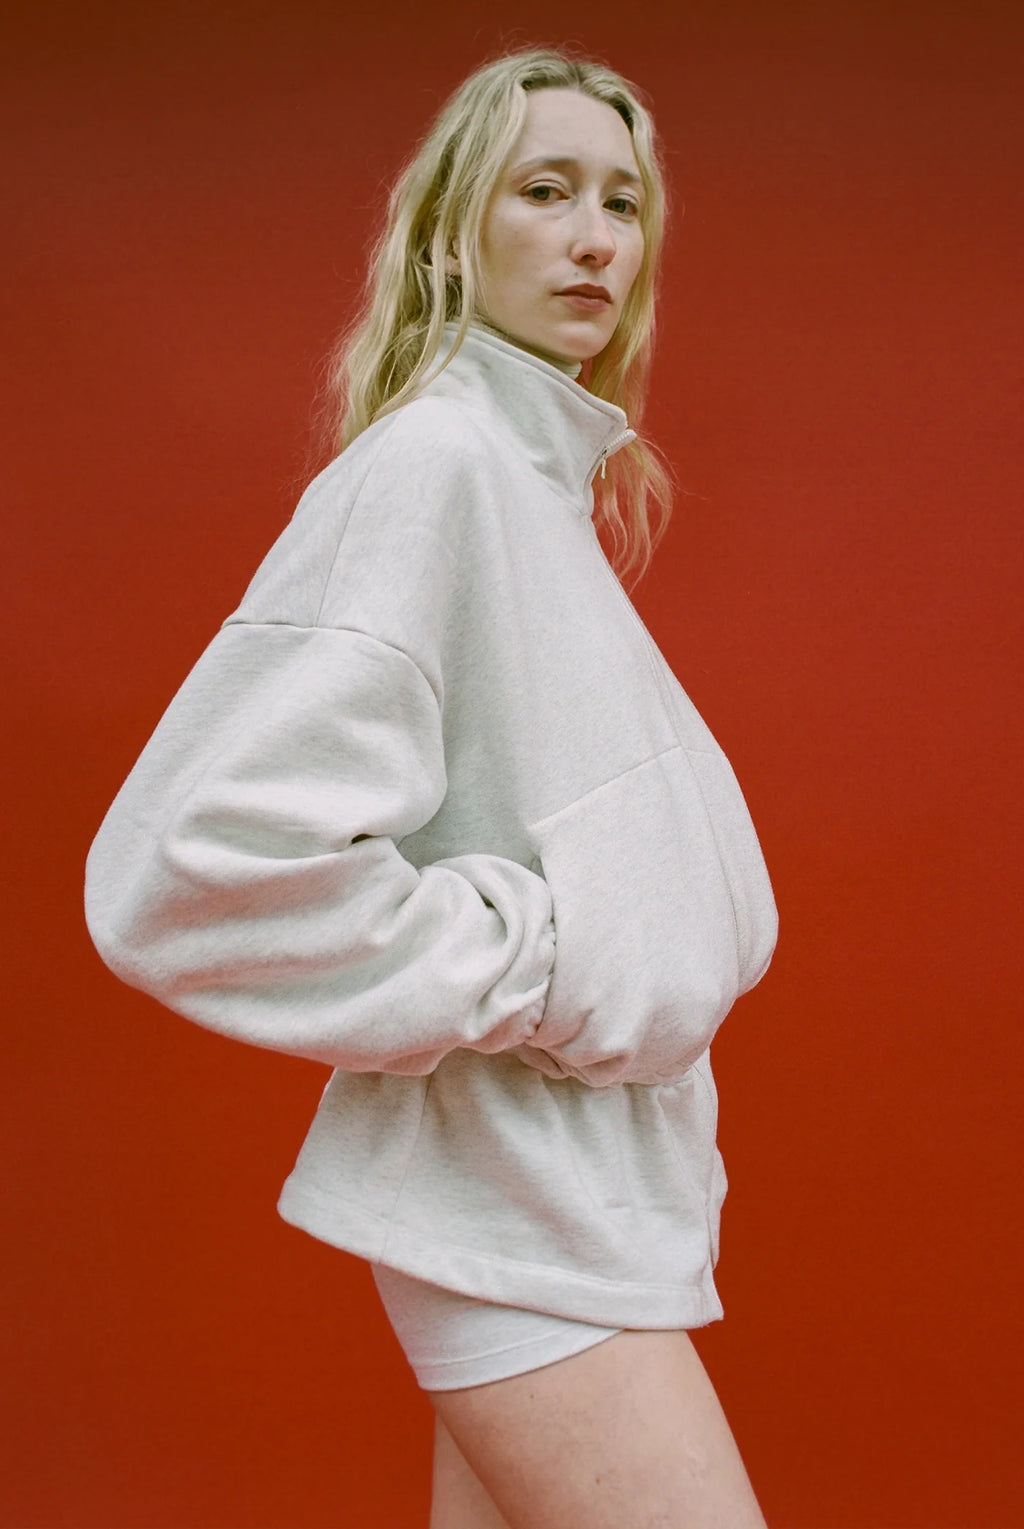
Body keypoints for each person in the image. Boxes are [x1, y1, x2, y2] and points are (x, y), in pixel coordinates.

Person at [84, 45, 778, 1529]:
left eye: (625, 200)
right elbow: (187, 861)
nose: (598, 238)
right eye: (547, 192)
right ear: (460, 226)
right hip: (519, 1204)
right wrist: (538, 953)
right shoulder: (439, 470)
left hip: (579, 1199)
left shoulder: (536, 491)